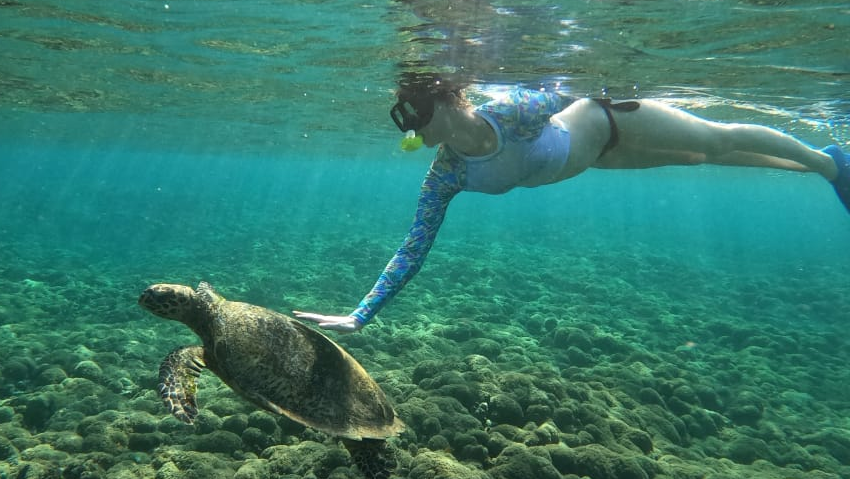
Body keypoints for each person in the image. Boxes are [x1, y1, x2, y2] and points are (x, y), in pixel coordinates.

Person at [293, 79, 850, 333]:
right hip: (597, 159)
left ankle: (830, 164)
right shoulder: (446, 174)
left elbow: (575, 89)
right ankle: (816, 166)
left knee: (716, 140)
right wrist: (361, 313)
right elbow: (412, 248)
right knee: (697, 158)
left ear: (445, 96)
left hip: (613, 119)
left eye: (413, 110)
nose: (411, 125)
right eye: (402, 117)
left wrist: (623, 78)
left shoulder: (509, 110)